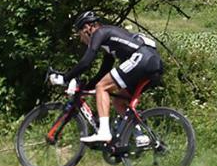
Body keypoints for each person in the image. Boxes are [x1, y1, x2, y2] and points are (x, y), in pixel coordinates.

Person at [48, 10, 163, 144]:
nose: (81, 39)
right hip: (153, 63)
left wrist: (64, 78)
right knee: (118, 102)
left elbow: (86, 62)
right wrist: (86, 88)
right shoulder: (109, 41)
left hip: (142, 59)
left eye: (80, 34)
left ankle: (104, 132)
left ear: (87, 28)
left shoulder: (100, 33)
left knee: (102, 87)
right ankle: (140, 136)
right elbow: (104, 71)